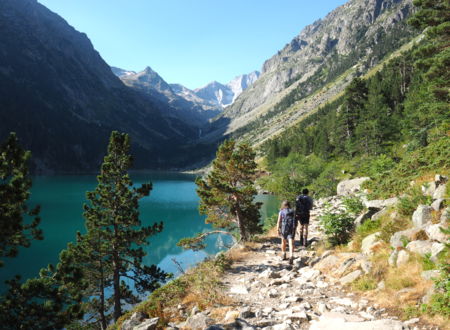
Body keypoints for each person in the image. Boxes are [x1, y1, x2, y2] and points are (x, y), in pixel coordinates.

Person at [277, 200, 297, 265]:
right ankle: (291, 255)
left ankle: (284, 254)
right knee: (291, 242)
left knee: (283, 241)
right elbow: (296, 221)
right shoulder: (293, 211)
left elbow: (279, 221)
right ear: (289, 205)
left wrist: (278, 229)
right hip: (291, 228)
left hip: (284, 228)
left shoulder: (281, 211)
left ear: (283, 205)